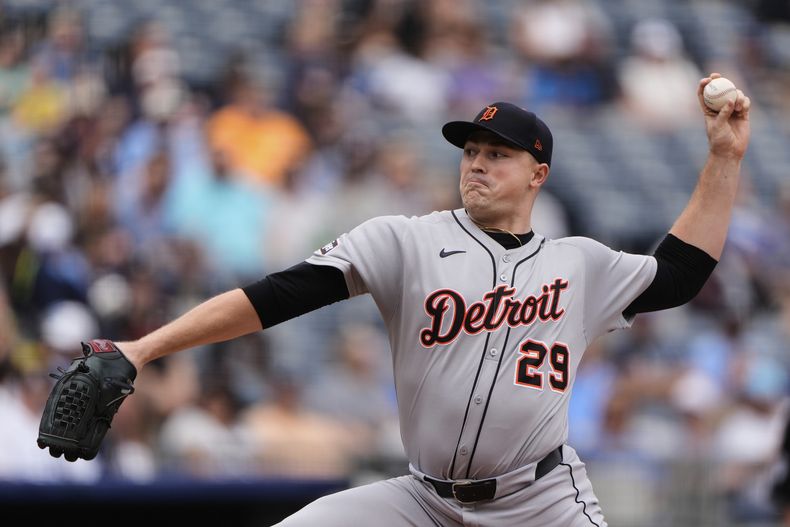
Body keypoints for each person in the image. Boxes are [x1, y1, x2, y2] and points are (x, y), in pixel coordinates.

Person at [53, 74, 750, 526]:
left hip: (542, 503)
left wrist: (723, 158)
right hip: (421, 500)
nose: (476, 162)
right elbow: (275, 296)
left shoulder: (581, 264)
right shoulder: (404, 240)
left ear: (538, 173)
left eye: (497, 153)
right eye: (470, 149)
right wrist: (144, 347)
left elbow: (681, 274)